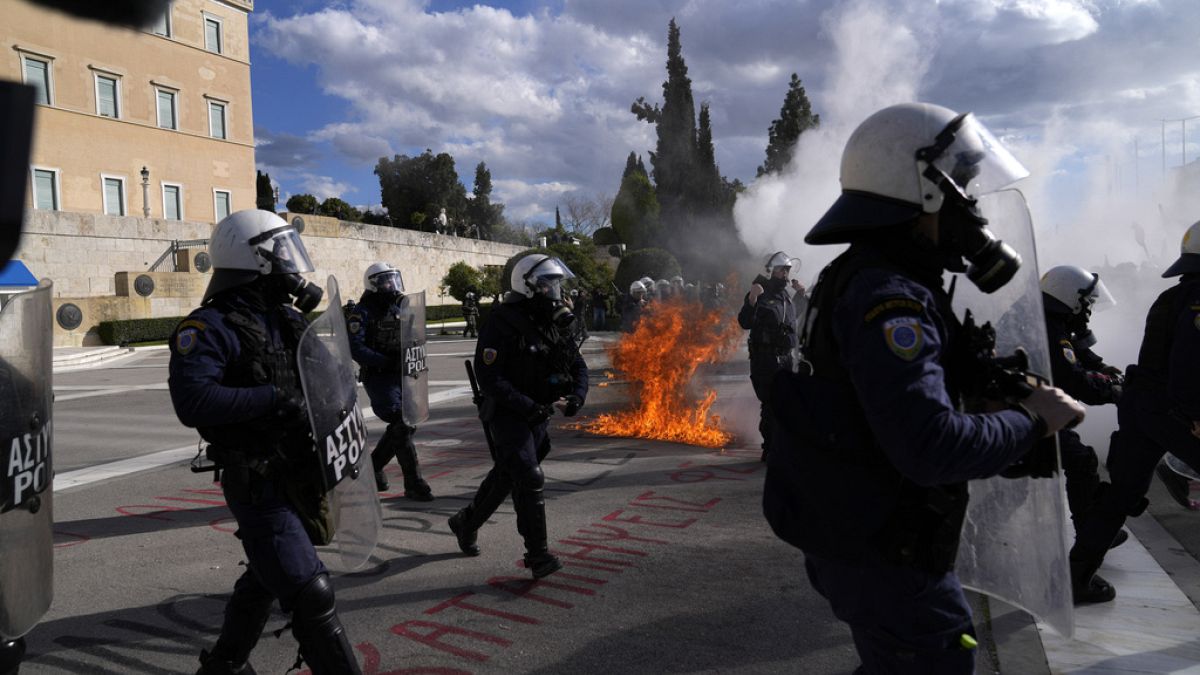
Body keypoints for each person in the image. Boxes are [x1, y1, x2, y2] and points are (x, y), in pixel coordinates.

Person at [762, 103, 1085, 674]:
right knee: (938, 654)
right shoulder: (890, 299)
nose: (973, 206)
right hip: (884, 548)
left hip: (866, 535)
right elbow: (929, 446)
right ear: (924, 191)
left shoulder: (875, 278)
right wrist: (1035, 419)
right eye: (963, 185)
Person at [168, 210, 360, 674]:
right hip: (257, 477)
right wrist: (272, 398)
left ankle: (224, 665)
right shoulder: (210, 326)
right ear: (254, 260)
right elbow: (194, 401)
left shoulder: (288, 319)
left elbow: (328, 378)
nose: (294, 271)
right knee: (309, 590)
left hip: (300, 468)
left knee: (266, 575)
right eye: (285, 257)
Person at [1070, 219, 1200, 604]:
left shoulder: (1171, 297)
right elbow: (1188, 365)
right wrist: (1195, 416)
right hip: (1173, 412)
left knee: (1120, 495)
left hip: (1142, 407)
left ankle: (1077, 576)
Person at [448, 253, 588, 579]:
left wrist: (577, 397)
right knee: (529, 475)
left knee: (509, 474)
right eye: (546, 283)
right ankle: (538, 556)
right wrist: (527, 405)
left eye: (557, 283)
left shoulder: (554, 318)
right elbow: (490, 377)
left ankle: (465, 522)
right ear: (527, 285)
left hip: (538, 412)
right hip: (509, 412)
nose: (554, 290)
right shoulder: (502, 321)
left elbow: (577, 365)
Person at [1039, 264, 1128, 600]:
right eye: (1086, 303)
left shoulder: (1046, 319)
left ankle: (1092, 528)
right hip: (1024, 413)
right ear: (1069, 299)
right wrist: (1111, 391)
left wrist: (1100, 365)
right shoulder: (1052, 330)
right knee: (1081, 460)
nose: (1088, 310)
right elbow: (1072, 378)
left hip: (1025, 407)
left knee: (1078, 457)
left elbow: (1075, 351)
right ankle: (1091, 534)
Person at [344, 262, 433, 500]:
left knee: (406, 424)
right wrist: (385, 361)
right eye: (384, 280)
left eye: (393, 279)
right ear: (373, 284)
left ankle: (372, 468)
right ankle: (413, 483)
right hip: (380, 377)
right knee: (401, 424)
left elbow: (412, 336)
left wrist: (414, 356)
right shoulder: (361, 312)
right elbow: (355, 348)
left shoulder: (399, 307)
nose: (390, 285)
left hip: (402, 375)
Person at [738, 251, 802, 462]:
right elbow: (745, 321)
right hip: (766, 359)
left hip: (785, 357)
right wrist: (752, 298)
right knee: (772, 403)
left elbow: (794, 319)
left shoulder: (785, 297)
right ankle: (770, 448)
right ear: (771, 271)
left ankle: (783, 445)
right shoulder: (762, 293)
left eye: (787, 270)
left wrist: (801, 295)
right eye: (782, 270)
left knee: (787, 402)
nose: (785, 274)